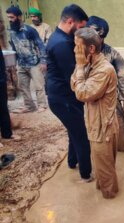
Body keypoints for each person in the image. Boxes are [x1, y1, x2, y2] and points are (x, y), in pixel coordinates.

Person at [71, 27, 119, 199]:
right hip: (96, 125)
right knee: (101, 167)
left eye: (78, 46)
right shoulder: (89, 65)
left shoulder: (104, 70)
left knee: (105, 172)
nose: (75, 50)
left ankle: (111, 211)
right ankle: (106, 194)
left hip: (103, 128)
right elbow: (74, 84)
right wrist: (80, 67)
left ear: (91, 48)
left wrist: (78, 65)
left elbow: (82, 93)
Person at [46, 4, 92, 182]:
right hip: (63, 99)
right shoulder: (62, 44)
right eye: (81, 27)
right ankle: (86, 175)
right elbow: (73, 78)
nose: (81, 32)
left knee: (74, 131)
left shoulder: (59, 37)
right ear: (71, 21)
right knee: (81, 136)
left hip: (61, 96)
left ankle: (72, 162)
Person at [86, 16, 124, 152]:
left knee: (119, 124)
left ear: (102, 36)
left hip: (110, 97)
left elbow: (122, 76)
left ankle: (122, 149)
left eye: (95, 35)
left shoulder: (113, 55)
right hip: (89, 98)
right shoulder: (81, 52)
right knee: (92, 127)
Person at [6, 6, 47, 113]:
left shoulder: (30, 30)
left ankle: (42, 105)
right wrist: (14, 63)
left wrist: (43, 61)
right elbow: (14, 48)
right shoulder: (11, 32)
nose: (10, 20)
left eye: (12, 17)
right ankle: (29, 106)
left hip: (35, 63)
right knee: (22, 86)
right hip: (21, 64)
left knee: (39, 86)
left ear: (19, 17)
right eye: (8, 17)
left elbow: (41, 46)